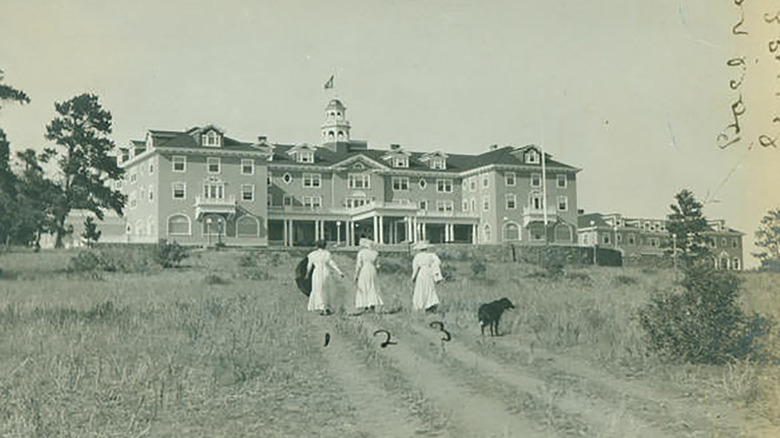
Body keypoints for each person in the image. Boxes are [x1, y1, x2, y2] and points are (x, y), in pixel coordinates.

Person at [306, 239, 344, 315]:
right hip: (325, 272)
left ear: (317, 245)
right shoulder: (327, 253)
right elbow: (332, 263)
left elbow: (309, 266)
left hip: (317, 272)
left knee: (318, 288)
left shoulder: (312, 254)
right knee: (326, 289)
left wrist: (307, 274)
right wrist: (339, 271)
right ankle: (326, 307)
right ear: (325, 245)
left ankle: (322, 307)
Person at [410, 240, 442, 313]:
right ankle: (430, 304)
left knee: (420, 289)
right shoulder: (431, 255)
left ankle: (420, 305)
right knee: (430, 288)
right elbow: (438, 262)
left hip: (421, 274)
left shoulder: (417, 257)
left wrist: (413, 278)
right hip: (429, 273)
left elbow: (415, 269)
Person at [354, 237, 384, 313]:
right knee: (372, 286)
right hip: (372, 270)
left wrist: (356, 275)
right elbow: (378, 266)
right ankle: (372, 305)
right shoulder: (375, 253)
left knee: (364, 286)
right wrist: (377, 273)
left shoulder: (361, 253)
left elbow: (358, 265)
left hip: (365, 270)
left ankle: (366, 304)